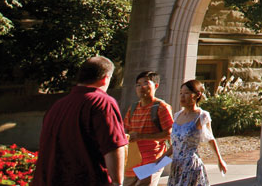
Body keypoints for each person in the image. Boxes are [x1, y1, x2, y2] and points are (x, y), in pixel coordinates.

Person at [32, 55, 128, 186]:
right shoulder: (102, 102)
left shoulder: (57, 106)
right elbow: (113, 146)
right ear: (105, 79)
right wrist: (117, 182)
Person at [165, 80, 227, 186]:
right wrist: (160, 159)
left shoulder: (202, 116)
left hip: (191, 166)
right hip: (176, 167)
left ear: (197, 95)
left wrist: (219, 159)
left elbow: (210, 139)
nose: (182, 96)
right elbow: (175, 144)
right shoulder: (177, 115)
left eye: (186, 93)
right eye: (181, 93)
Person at [123, 71, 174, 186]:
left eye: (146, 83)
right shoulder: (133, 108)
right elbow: (125, 129)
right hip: (132, 162)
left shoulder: (162, 107)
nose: (141, 87)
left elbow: (170, 133)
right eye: (138, 84)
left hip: (153, 161)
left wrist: (142, 136)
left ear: (156, 86)